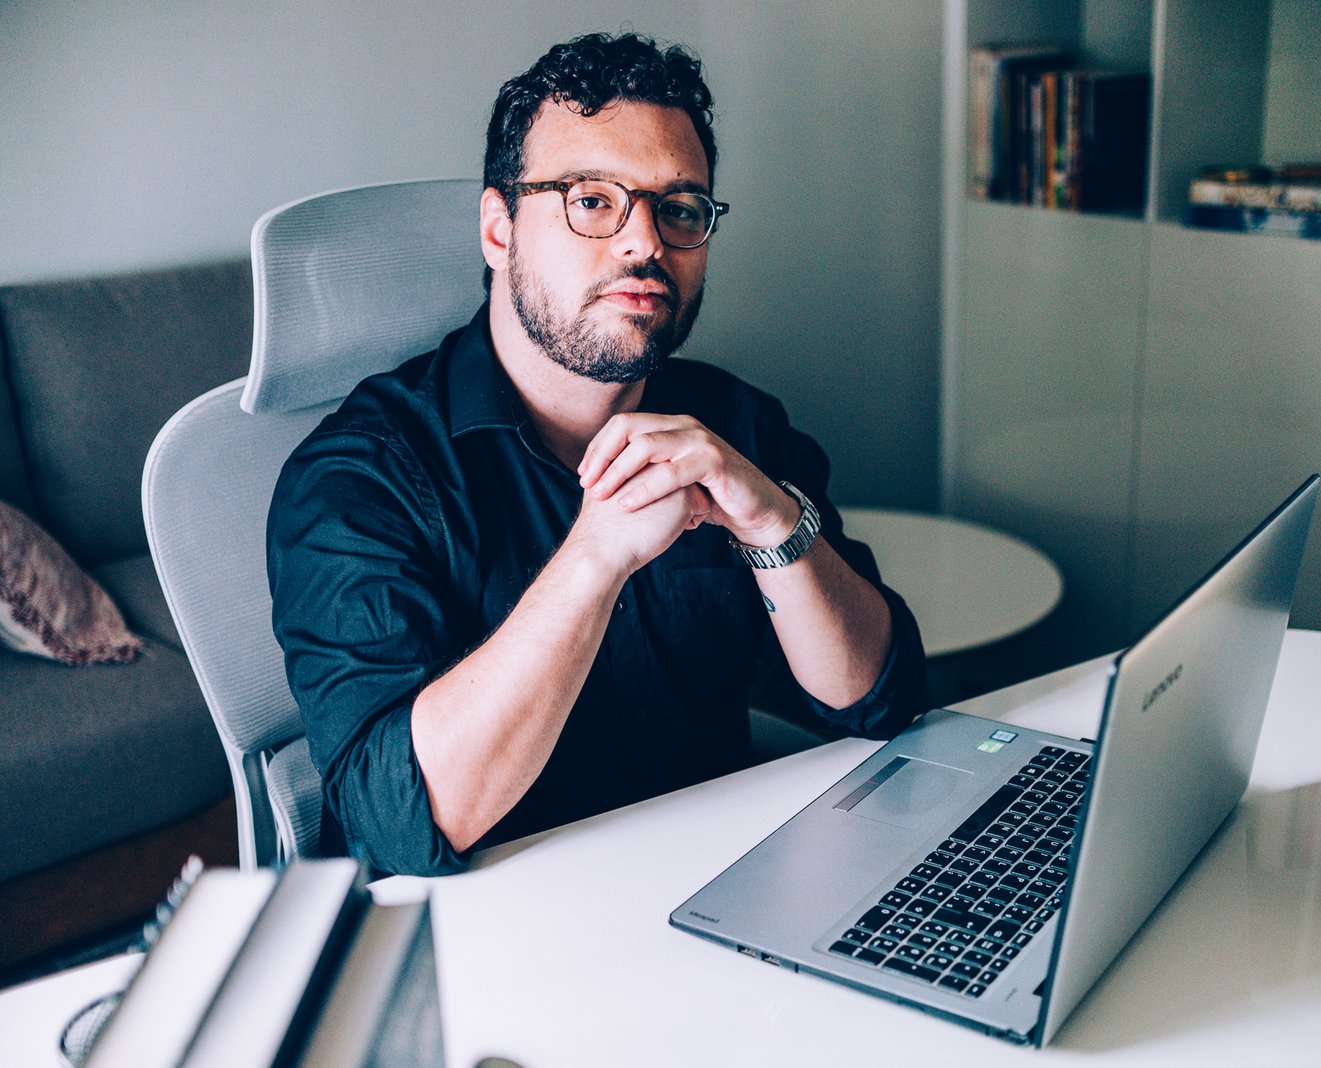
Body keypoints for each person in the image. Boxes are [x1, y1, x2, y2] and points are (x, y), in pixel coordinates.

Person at [266, 32, 926, 876]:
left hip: (716, 886)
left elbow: (878, 699)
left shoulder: (737, 426)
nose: (643, 243)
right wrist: (595, 555)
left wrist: (775, 524)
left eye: (680, 207)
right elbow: (407, 824)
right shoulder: (358, 481)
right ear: (498, 228)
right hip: (488, 934)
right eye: (591, 200)